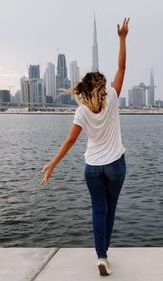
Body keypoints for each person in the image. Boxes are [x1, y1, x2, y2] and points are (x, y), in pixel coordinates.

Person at [40, 17, 130, 276]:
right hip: (115, 165)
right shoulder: (111, 98)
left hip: (92, 168)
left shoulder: (81, 111)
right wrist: (122, 39)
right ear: (101, 86)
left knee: (97, 210)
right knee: (109, 209)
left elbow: (70, 141)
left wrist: (52, 165)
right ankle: (105, 255)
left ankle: (100, 256)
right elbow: (122, 68)